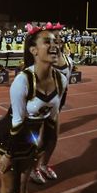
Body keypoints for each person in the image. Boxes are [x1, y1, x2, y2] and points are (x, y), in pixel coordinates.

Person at [0, 22, 68, 193]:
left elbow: (52, 119)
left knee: (23, 187)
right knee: (9, 188)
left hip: (31, 137)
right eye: (47, 41)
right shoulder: (23, 81)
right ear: (33, 50)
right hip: (9, 137)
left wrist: (42, 147)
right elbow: (17, 122)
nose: (54, 45)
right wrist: (8, 154)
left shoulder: (61, 80)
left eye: (55, 41)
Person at [30, 22, 73, 184]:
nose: (60, 39)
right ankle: (33, 168)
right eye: (57, 37)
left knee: (53, 137)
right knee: (40, 138)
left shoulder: (65, 55)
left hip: (59, 101)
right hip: (45, 101)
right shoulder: (47, 57)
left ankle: (44, 165)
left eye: (61, 36)